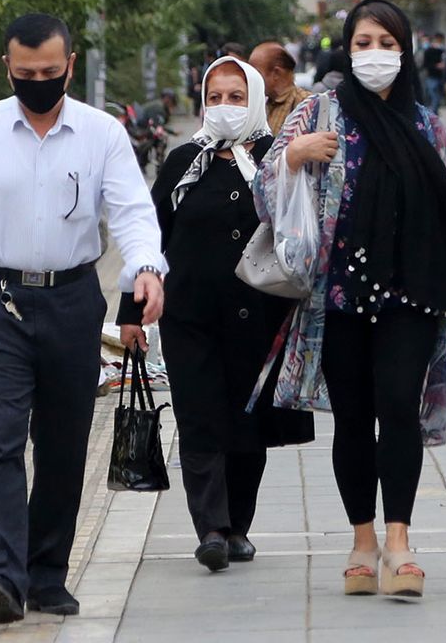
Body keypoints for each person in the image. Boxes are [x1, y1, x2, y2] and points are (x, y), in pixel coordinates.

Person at [0, 13, 166, 624]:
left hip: (72, 301)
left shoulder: (101, 134)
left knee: (62, 445)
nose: (38, 82)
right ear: (7, 67)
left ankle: (47, 575)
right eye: (25, 73)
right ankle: (0, 573)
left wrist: (146, 268)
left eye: (50, 73)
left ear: (70, 66)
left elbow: (132, 211)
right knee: (0, 439)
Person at [256, 0, 446, 599]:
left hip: (411, 294)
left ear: (406, 50)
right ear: (345, 47)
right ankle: (362, 542)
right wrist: (293, 155)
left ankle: (399, 544)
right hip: (336, 293)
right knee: (355, 418)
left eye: (387, 43)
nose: (375, 55)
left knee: (400, 408)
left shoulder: (425, 123)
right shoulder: (319, 111)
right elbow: (264, 187)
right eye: (363, 42)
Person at [116, 57, 314, 572]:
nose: (225, 107)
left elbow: (302, 226)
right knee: (200, 418)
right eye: (215, 97)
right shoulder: (184, 161)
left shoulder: (278, 160)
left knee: (248, 426)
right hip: (191, 316)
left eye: (236, 96)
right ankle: (210, 528)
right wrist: (132, 312)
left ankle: (238, 526)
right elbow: (149, 235)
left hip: (262, 317)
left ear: (254, 100)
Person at [249, 41, 313, 134]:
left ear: (276, 73)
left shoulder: (306, 105)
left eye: (256, 73)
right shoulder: (262, 103)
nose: (251, 79)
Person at [422, 32, 446, 109]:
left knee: (438, 98)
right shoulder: (429, 50)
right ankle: (432, 114)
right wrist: (436, 66)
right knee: (433, 97)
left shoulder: (443, 50)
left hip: (440, 76)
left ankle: (434, 114)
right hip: (431, 77)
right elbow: (426, 64)